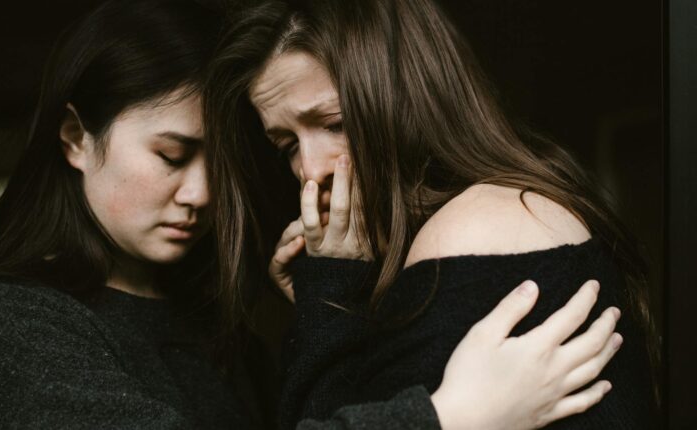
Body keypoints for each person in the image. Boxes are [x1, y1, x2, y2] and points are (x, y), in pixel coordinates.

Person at [0, 0, 621, 429]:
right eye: (172, 155)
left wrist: (329, 304)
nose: (203, 194)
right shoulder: (4, 327)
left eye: (225, 164)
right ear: (75, 139)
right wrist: (448, 417)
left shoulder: (221, 331)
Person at [203, 0, 657, 428]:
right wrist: (331, 297)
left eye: (336, 124)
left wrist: (328, 294)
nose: (310, 169)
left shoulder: (474, 230)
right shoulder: (503, 210)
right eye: (287, 145)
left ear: (407, 101)